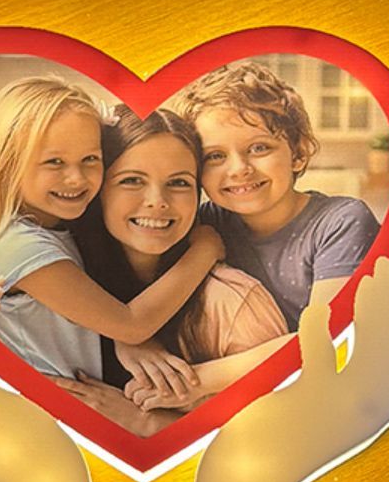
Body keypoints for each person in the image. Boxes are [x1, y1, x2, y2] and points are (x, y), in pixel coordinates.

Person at [0, 77, 222, 381]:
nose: (76, 178)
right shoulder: (18, 245)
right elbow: (131, 325)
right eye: (54, 162)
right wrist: (205, 250)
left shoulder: (58, 226)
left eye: (90, 159)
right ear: (7, 164)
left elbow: (99, 312)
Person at [60, 106, 291, 432]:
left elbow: (282, 430)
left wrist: (146, 422)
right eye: (132, 180)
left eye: (179, 183)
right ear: (97, 190)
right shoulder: (63, 285)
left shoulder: (230, 302)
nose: (157, 201)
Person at [176, 61, 381, 332]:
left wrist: (192, 369)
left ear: (299, 153)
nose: (239, 169)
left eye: (259, 148)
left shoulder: (341, 223)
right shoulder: (203, 223)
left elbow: (327, 340)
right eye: (215, 156)